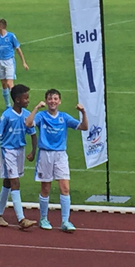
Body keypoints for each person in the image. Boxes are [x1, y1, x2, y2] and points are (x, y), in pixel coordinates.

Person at [25, 89, 88, 232]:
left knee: (65, 188)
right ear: (46, 101)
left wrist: (83, 112)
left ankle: (65, 221)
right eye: (50, 99)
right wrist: (36, 108)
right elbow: (28, 124)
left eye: (55, 99)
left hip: (60, 155)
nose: (52, 101)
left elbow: (84, 127)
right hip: (45, 155)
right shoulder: (41, 116)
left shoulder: (64, 117)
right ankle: (43, 218)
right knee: (45, 188)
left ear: (59, 101)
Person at [0, 84, 37, 230]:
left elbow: (33, 133)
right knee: (15, 182)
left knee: (7, 182)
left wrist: (33, 151)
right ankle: (21, 219)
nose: (28, 100)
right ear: (17, 100)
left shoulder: (26, 115)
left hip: (20, 151)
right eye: (26, 98)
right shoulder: (6, 116)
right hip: (8, 151)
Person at [0, 19, 29, 108]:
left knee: (9, 84)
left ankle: (16, 104)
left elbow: (18, 49)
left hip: (9, 62)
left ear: (1, 27)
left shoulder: (11, 36)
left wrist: (23, 62)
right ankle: (8, 105)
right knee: (4, 84)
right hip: (0, 62)